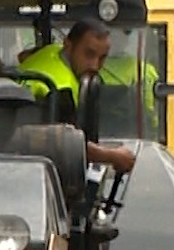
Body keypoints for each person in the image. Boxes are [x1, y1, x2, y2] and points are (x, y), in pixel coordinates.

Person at [16, 17, 137, 173]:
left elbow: (23, 56)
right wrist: (112, 156)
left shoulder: (51, 51)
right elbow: (66, 145)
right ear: (68, 45)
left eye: (102, 58)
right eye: (89, 54)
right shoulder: (60, 90)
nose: (95, 66)